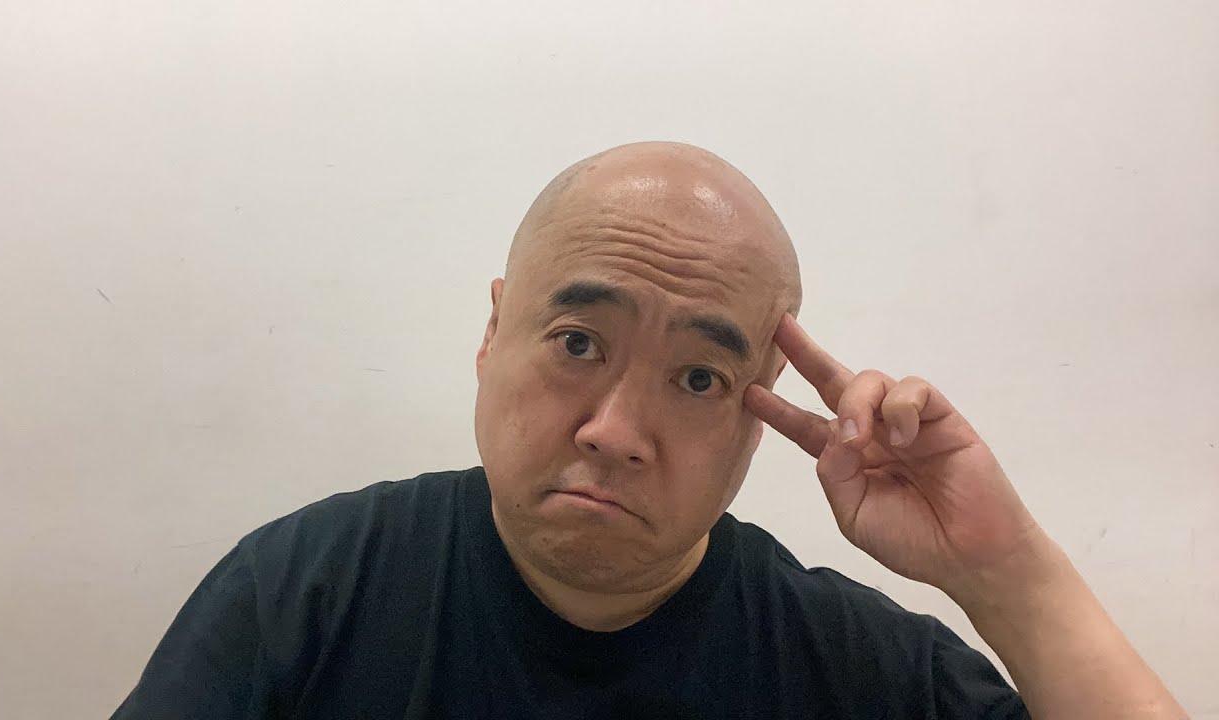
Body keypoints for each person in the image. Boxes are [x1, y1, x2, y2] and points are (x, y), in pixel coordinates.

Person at [111, 142, 1184, 719]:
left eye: (699, 378)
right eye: (578, 342)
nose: (618, 431)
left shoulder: (857, 671)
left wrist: (1007, 574)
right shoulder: (305, 596)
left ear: (759, 409)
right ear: (493, 332)